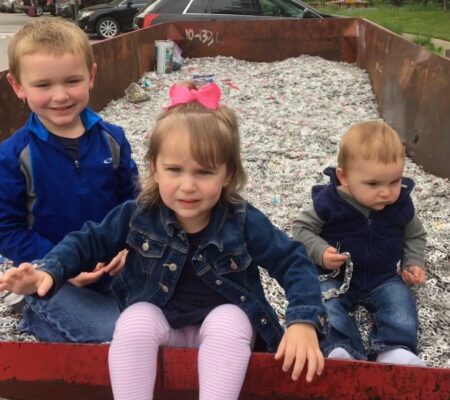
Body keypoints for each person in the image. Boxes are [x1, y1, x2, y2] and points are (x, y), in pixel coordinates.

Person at [0, 82, 327, 399]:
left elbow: (292, 261)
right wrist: (49, 271)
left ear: (227, 174)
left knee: (230, 319)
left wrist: (304, 321)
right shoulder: (138, 213)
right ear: (155, 169)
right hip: (163, 324)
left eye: (204, 172)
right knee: (134, 319)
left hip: (219, 327)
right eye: (174, 170)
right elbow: (88, 242)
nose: (188, 186)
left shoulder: (240, 219)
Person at [0, 18, 139, 342]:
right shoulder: (12, 156)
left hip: (112, 264)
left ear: (90, 76)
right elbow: (7, 230)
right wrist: (62, 265)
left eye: (72, 81)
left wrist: (129, 247)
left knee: (165, 314)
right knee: (113, 333)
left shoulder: (112, 139)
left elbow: (131, 204)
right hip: (53, 272)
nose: (60, 96)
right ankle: (36, 310)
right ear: (18, 85)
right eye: (43, 85)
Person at [293, 120, 427, 367]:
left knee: (400, 303)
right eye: (373, 184)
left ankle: (394, 348)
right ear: (344, 177)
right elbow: (301, 229)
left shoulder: (400, 205)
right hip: (335, 275)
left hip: (383, 276)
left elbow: (415, 235)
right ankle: (341, 347)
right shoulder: (329, 202)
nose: (386, 193)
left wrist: (412, 262)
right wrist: (321, 252)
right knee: (323, 302)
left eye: (395, 181)